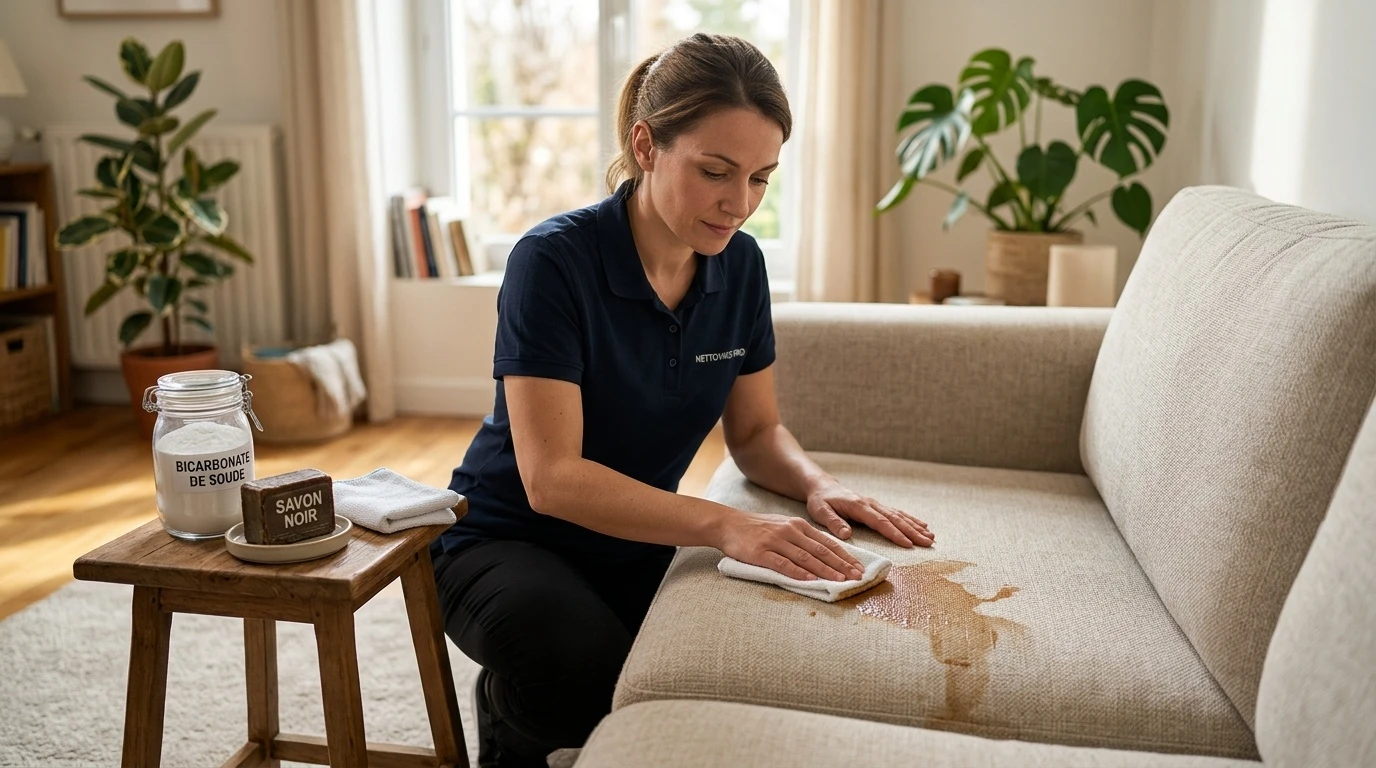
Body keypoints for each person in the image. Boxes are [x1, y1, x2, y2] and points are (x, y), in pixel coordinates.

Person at [430, 32, 936, 768]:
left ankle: (526, 703)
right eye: (715, 172)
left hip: (632, 541)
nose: (740, 204)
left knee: (728, 669)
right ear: (645, 145)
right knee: (587, 666)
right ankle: (516, 719)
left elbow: (758, 432)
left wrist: (821, 486)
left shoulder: (742, 266)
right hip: (503, 540)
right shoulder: (553, 262)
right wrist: (727, 526)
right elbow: (551, 479)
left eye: (762, 178)